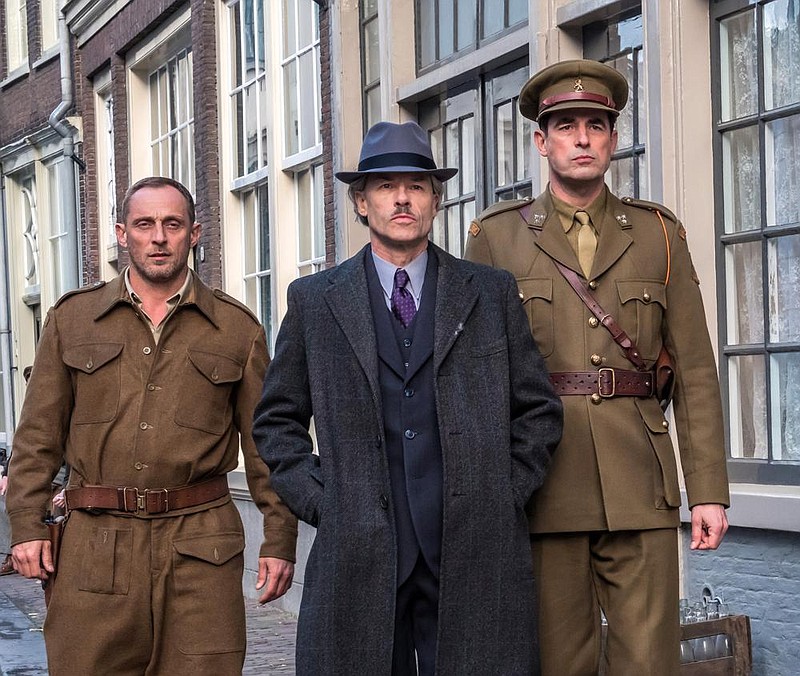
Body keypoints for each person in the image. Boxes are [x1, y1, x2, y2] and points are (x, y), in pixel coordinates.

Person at [253, 121, 563, 675]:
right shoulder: (314, 302)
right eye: (385, 185)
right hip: (360, 551)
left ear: (435, 200)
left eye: (417, 185)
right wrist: (325, 501)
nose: (402, 198)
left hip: (473, 550)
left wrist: (501, 491)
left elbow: (537, 409)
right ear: (360, 201)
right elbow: (277, 422)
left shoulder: (489, 293)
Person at [464, 59, 730, 675]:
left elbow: (693, 369)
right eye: (565, 126)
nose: (581, 138)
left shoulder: (661, 233)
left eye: (595, 125)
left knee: (649, 662)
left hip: (641, 481)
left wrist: (708, 491)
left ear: (612, 139)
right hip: (543, 483)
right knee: (558, 662)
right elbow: (477, 381)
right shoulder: (497, 239)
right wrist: (487, 493)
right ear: (541, 141)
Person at [6, 176, 297, 675]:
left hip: (200, 549)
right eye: (144, 224)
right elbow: (37, 437)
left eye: (172, 224)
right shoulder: (73, 321)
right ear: (122, 233)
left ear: (195, 233)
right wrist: (25, 526)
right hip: (94, 549)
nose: (158, 237)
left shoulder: (237, 330)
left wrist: (279, 539)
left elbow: (265, 446)